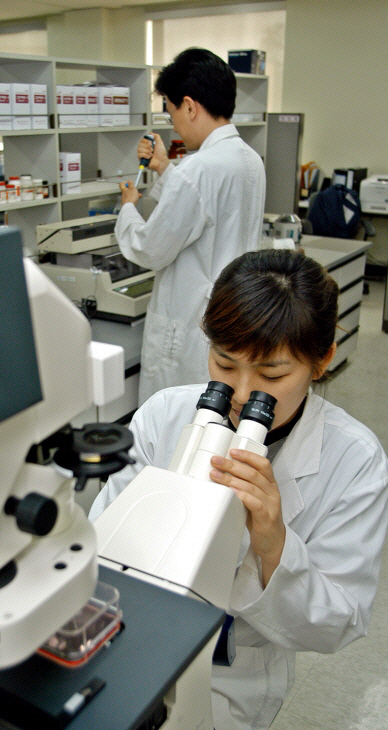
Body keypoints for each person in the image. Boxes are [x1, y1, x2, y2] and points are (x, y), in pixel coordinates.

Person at [89, 249, 388, 730]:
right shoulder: (165, 415)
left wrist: (273, 544)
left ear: (322, 361)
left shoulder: (355, 460)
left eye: (272, 375)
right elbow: (101, 550)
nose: (244, 393)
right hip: (127, 636)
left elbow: (338, 622)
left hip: (233, 674)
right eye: (224, 363)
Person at [115, 47, 265, 405]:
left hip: (190, 323)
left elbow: (150, 249)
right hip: (232, 315)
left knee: (176, 416)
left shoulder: (199, 168)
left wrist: (128, 209)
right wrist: (164, 168)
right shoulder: (249, 159)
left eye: (171, 113)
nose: (174, 124)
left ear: (189, 106)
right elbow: (203, 210)